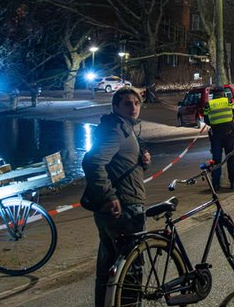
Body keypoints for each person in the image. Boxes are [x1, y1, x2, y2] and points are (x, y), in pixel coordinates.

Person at [82, 87, 151, 307]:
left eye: (136, 103)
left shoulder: (123, 128)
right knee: (131, 268)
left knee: (108, 266)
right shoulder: (116, 130)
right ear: (115, 107)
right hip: (125, 208)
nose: (133, 108)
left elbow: (117, 163)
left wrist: (141, 161)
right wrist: (110, 196)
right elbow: (93, 162)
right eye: (127, 104)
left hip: (117, 206)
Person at [204, 87, 234, 191]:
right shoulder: (228, 101)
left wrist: (216, 124)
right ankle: (233, 182)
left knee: (216, 160)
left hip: (216, 135)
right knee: (231, 158)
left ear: (213, 95)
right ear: (223, 93)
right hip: (229, 134)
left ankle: (216, 185)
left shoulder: (208, 104)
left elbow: (206, 120)